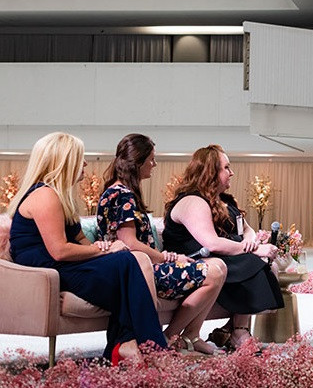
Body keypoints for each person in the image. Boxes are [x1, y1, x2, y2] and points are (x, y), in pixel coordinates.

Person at [8, 132, 166, 363]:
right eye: (80, 158)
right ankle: (147, 346)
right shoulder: (45, 195)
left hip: (62, 265)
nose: (84, 163)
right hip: (47, 270)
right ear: (65, 161)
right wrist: (103, 251)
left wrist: (100, 247)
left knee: (125, 263)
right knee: (126, 263)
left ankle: (129, 344)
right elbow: (59, 251)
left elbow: (80, 238)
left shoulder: (60, 196)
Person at [96, 134, 227, 355]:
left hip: (146, 266)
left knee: (219, 265)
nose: (154, 164)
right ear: (138, 161)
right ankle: (169, 337)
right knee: (214, 273)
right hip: (139, 273)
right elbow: (129, 243)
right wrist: (167, 258)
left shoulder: (119, 192)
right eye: (151, 159)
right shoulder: (122, 195)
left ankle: (192, 335)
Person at [161, 145, 283, 349]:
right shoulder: (193, 201)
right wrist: (252, 249)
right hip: (193, 258)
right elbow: (212, 243)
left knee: (259, 262)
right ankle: (237, 331)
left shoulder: (224, 200)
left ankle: (233, 330)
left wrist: (250, 241)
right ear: (210, 172)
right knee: (253, 262)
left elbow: (246, 229)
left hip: (219, 256)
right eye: (226, 167)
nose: (231, 172)